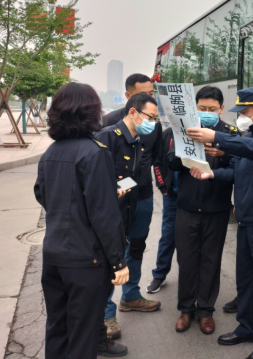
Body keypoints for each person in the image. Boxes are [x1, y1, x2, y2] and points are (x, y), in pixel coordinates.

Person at [187, 87, 253, 359]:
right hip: (245, 219)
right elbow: (238, 172)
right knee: (246, 281)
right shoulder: (249, 135)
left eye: (244, 112)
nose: (240, 117)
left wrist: (217, 137)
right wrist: (213, 174)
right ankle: (248, 327)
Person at [34, 83, 129, 358]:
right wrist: (118, 261)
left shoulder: (51, 152)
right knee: (84, 333)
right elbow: (105, 215)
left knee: (58, 327)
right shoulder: (95, 152)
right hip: (86, 260)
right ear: (91, 112)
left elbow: (42, 194)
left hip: (53, 255)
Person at [167, 86, 237, 335]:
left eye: (212, 109)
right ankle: (186, 309)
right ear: (195, 108)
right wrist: (187, 150)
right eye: (202, 108)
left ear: (221, 109)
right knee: (186, 260)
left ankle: (205, 310)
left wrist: (223, 152)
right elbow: (170, 162)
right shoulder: (184, 129)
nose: (206, 112)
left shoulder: (230, 134)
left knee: (210, 260)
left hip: (216, 208)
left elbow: (238, 170)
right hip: (186, 207)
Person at [101, 74, 163, 337]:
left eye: (152, 92)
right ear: (129, 100)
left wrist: (163, 186)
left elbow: (156, 159)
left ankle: (131, 295)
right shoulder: (108, 125)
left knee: (137, 245)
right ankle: (106, 313)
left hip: (143, 195)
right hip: (116, 199)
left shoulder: (152, 124)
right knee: (111, 250)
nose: (150, 97)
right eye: (143, 94)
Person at [146, 126, 176, 294]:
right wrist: (163, 187)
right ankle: (160, 274)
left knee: (192, 239)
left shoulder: (201, 132)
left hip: (193, 198)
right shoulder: (168, 134)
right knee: (168, 236)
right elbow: (158, 163)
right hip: (171, 196)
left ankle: (192, 277)